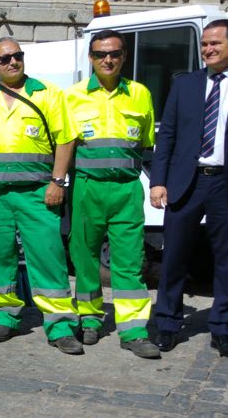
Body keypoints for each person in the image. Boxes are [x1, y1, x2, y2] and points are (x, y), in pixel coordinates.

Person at [150, 19, 228, 358]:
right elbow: (168, 135)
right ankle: (167, 323)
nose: (207, 49)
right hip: (186, 182)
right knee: (174, 257)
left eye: (214, 44)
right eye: (204, 44)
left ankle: (223, 329)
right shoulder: (185, 84)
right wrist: (158, 180)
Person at [0, 37, 82, 354]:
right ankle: (5, 317)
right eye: (4, 59)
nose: (12, 62)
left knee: (48, 257)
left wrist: (58, 182)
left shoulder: (47, 93)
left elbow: (65, 139)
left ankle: (60, 325)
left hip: (37, 193)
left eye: (17, 56)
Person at [64, 30, 161, 359]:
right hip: (87, 187)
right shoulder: (72, 96)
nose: (108, 60)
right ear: (90, 58)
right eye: (101, 54)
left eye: (115, 54)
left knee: (130, 263)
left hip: (126, 189)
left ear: (124, 57)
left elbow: (147, 145)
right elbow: (64, 146)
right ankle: (89, 320)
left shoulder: (140, 94)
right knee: (85, 259)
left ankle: (134, 330)